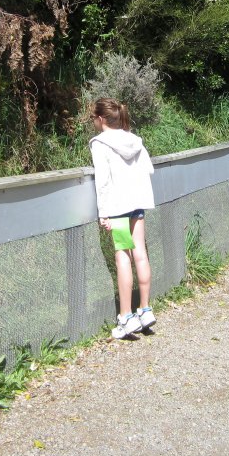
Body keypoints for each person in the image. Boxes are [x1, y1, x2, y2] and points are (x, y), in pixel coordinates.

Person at [89, 97, 156, 339]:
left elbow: (102, 181)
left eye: (93, 118)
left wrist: (103, 212)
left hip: (117, 207)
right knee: (140, 254)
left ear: (100, 119)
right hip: (137, 203)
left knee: (123, 257)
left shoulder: (100, 143)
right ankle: (145, 310)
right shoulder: (134, 140)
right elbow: (148, 169)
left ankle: (126, 317)